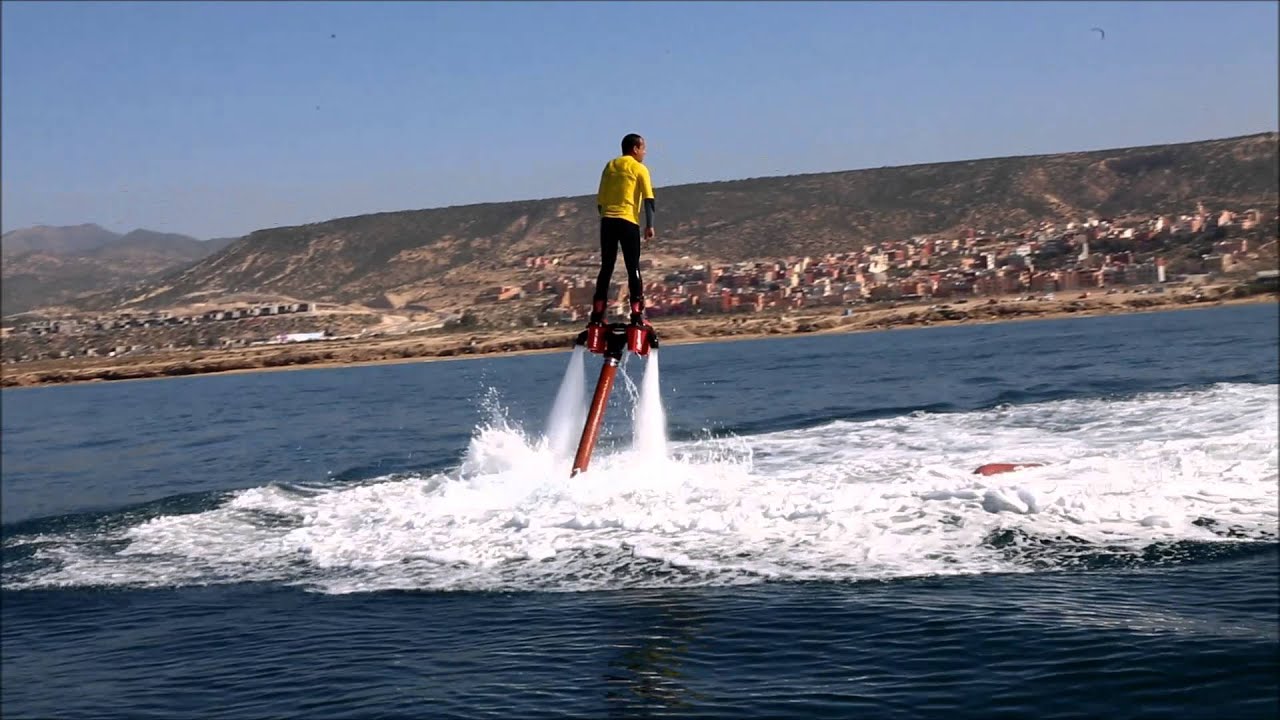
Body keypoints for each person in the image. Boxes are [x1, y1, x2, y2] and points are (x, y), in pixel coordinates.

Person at [589, 132, 655, 328]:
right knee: (632, 267)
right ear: (635, 149)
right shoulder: (639, 168)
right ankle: (637, 314)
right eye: (643, 148)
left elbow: (600, 201)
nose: (645, 152)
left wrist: (606, 217)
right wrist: (650, 225)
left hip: (607, 222)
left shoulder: (609, 166)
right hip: (627, 221)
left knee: (606, 267)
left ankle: (598, 314)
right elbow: (648, 199)